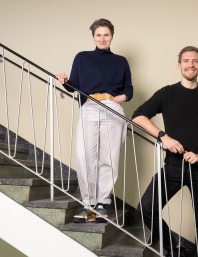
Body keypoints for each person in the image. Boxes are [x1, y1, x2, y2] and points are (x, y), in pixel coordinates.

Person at [131, 46, 198, 257]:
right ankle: (173, 248)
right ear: (179, 65)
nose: (190, 65)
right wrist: (163, 137)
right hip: (174, 166)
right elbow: (138, 116)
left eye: (195, 61)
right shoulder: (167, 93)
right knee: (146, 208)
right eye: (186, 61)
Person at [56, 18, 133, 223]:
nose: (102, 38)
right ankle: (88, 204)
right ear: (93, 37)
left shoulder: (121, 61)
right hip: (89, 107)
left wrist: (115, 99)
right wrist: (65, 81)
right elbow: (74, 86)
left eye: (106, 34)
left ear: (112, 36)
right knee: (84, 156)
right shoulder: (82, 57)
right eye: (98, 34)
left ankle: (102, 203)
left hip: (112, 108)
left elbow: (129, 91)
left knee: (109, 158)